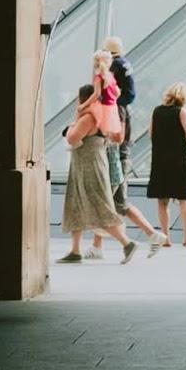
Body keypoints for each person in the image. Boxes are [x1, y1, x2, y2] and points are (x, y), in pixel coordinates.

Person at [93, 48, 163, 251]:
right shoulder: (117, 103)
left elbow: (119, 136)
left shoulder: (116, 106)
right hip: (120, 157)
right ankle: (151, 235)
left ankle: (141, 238)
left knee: (109, 203)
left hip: (117, 158)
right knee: (115, 203)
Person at [58, 87, 133, 263]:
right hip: (89, 164)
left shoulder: (89, 117)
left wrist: (70, 128)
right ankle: (75, 250)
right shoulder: (102, 116)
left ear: (82, 99)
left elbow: (72, 139)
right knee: (75, 204)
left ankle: (127, 243)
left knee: (99, 207)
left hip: (88, 166)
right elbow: (117, 137)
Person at [146, 85, 186, 248]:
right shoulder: (181, 112)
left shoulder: (156, 111)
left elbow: (151, 134)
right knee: (184, 198)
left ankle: (165, 237)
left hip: (159, 160)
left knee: (162, 200)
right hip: (178, 159)